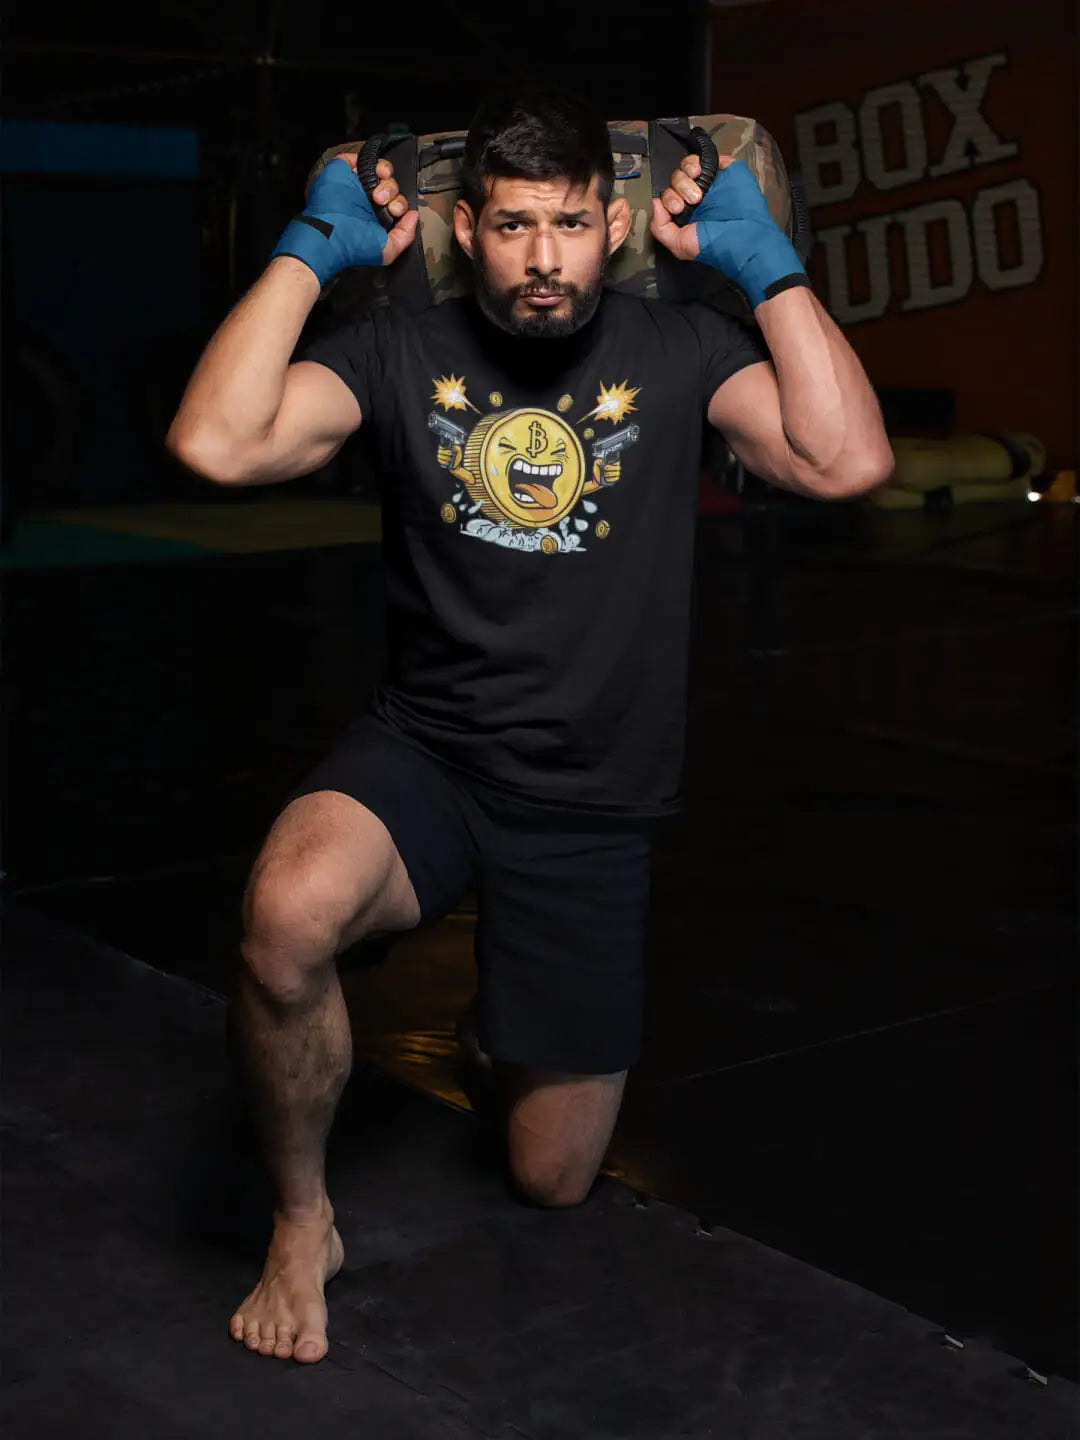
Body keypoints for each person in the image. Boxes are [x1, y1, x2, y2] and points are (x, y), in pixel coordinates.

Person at [167, 89, 892, 1366]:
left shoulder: (681, 358)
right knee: (285, 917)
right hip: (429, 758)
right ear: (468, 226)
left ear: (612, 228)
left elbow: (846, 464)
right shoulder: (400, 349)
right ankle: (300, 1220)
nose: (543, 259)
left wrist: (761, 267)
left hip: (589, 804)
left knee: (551, 1181)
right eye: (511, 227)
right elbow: (217, 444)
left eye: (568, 223)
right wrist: (307, 247)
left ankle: (508, 1016)